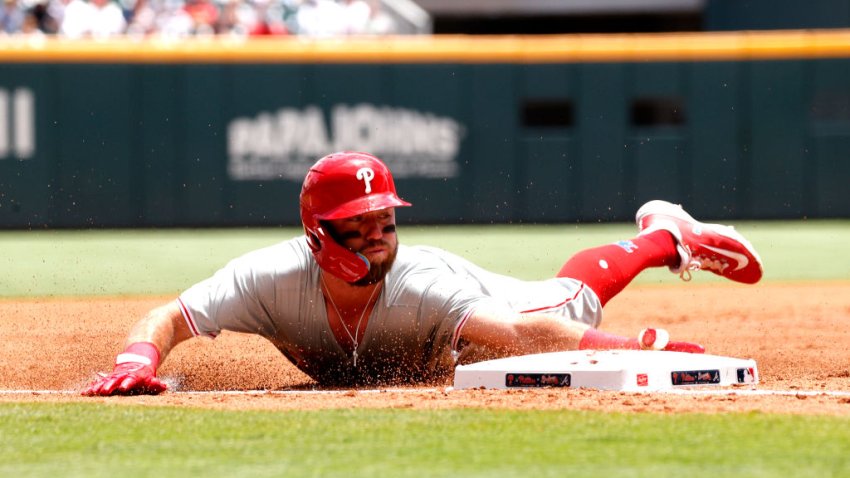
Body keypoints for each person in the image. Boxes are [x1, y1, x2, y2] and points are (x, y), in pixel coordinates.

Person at [82, 151, 763, 395]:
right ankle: (664, 236)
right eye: (361, 225)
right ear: (320, 235)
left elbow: (526, 336)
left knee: (576, 300)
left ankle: (663, 235)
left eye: (386, 220)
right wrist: (135, 357)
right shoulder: (267, 279)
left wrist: (634, 352)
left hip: (497, 309)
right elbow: (171, 315)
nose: (379, 235)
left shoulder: (420, 280)